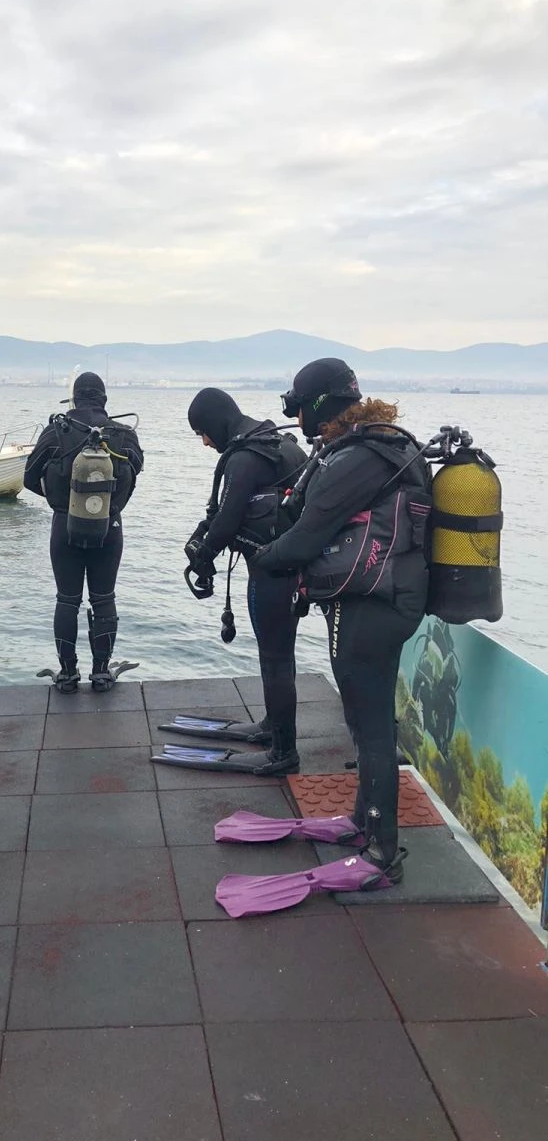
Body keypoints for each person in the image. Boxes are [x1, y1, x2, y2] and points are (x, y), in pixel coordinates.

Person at [250, 357, 432, 881]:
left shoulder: (353, 457)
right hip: (390, 598)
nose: (297, 415)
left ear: (320, 405)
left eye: (300, 405)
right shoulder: (386, 444)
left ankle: (382, 852)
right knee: (365, 719)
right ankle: (363, 822)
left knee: (371, 727)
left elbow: (306, 535)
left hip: (372, 606)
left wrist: (264, 558)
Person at [184, 388, 307, 773]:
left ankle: (284, 752)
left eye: (203, 432)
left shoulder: (244, 457)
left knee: (275, 660)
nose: (205, 442)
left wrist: (201, 558)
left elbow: (227, 519)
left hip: (270, 573)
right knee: (279, 656)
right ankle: (274, 726)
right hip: (294, 569)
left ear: (218, 422)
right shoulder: (275, 443)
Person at [24, 372, 143, 691]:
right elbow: (135, 474)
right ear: (104, 399)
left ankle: (67, 674)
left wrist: (59, 503)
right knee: (104, 599)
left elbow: (28, 478)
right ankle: (102, 673)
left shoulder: (55, 431)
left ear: (73, 399)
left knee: (67, 599)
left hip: (64, 526)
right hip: (110, 526)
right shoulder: (122, 434)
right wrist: (111, 506)